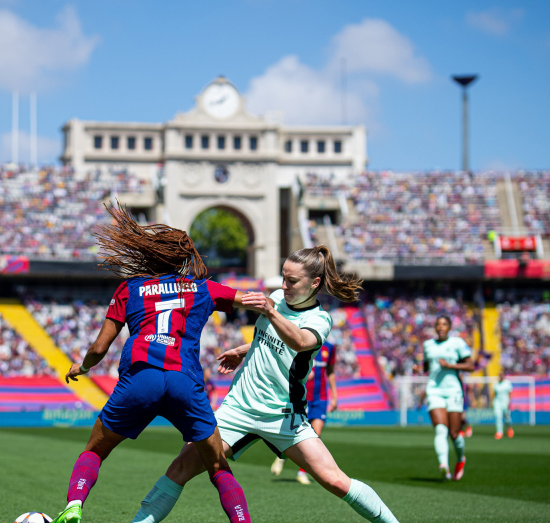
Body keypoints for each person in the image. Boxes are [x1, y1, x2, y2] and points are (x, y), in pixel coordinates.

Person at [132, 246, 399, 523]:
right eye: (283, 278)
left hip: (283, 416)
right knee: (180, 468)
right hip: (238, 409)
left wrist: (270, 311)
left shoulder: (319, 319)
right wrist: (244, 350)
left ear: (314, 283)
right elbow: (268, 336)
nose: (284, 286)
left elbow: (299, 341)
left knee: (335, 481)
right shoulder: (276, 299)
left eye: (292, 281)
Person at [56, 205, 257, 523]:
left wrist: (82, 367)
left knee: (94, 451)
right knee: (218, 467)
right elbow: (253, 300)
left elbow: (99, 347)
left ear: (148, 255)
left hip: (140, 379)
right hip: (185, 382)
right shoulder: (202, 288)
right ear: (182, 259)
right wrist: (280, 306)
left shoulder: (130, 288)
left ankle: (74, 505)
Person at [271, 336, 338, 484]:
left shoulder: (330, 348)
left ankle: (302, 473)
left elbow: (331, 372)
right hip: (303, 397)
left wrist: (334, 396)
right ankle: (284, 455)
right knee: (297, 433)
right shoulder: (304, 343)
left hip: (321, 398)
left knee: (315, 435)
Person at [424, 315, 475, 481]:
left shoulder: (457, 343)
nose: (440, 327)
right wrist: (420, 367)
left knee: (454, 433)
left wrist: (450, 365)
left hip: (453, 390)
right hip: (434, 390)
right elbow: (427, 365)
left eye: (444, 324)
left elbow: (470, 365)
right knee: (440, 429)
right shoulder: (428, 345)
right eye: (438, 324)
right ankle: (443, 466)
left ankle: (460, 460)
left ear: (449, 327)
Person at [493, 373, 514, 439]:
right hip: (497, 402)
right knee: (498, 417)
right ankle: (499, 432)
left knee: (507, 417)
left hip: (505, 402)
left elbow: (510, 393)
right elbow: (494, 394)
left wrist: (509, 402)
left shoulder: (507, 383)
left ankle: (509, 428)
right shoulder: (496, 384)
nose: (501, 376)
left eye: (502, 375)